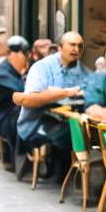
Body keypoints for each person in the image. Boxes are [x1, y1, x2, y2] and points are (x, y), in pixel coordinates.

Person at [16, 31, 92, 180]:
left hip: (66, 118)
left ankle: (75, 175)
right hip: (37, 120)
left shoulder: (83, 71)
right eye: (72, 45)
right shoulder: (42, 68)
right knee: (72, 133)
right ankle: (68, 176)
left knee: (84, 132)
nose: (76, 49)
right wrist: (61, 93)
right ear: (60, 47)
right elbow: (31, 99)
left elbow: (92, 90)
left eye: (80, 46)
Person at [0, 36, 29, 168]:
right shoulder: (1, 72)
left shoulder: (13, 70)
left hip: (14, 113)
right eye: (25, 55)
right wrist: (23, 73)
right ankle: (19, 158)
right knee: (21, 117)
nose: (26, 59)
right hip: (2, 118)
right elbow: (21, 91)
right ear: (15, 55)